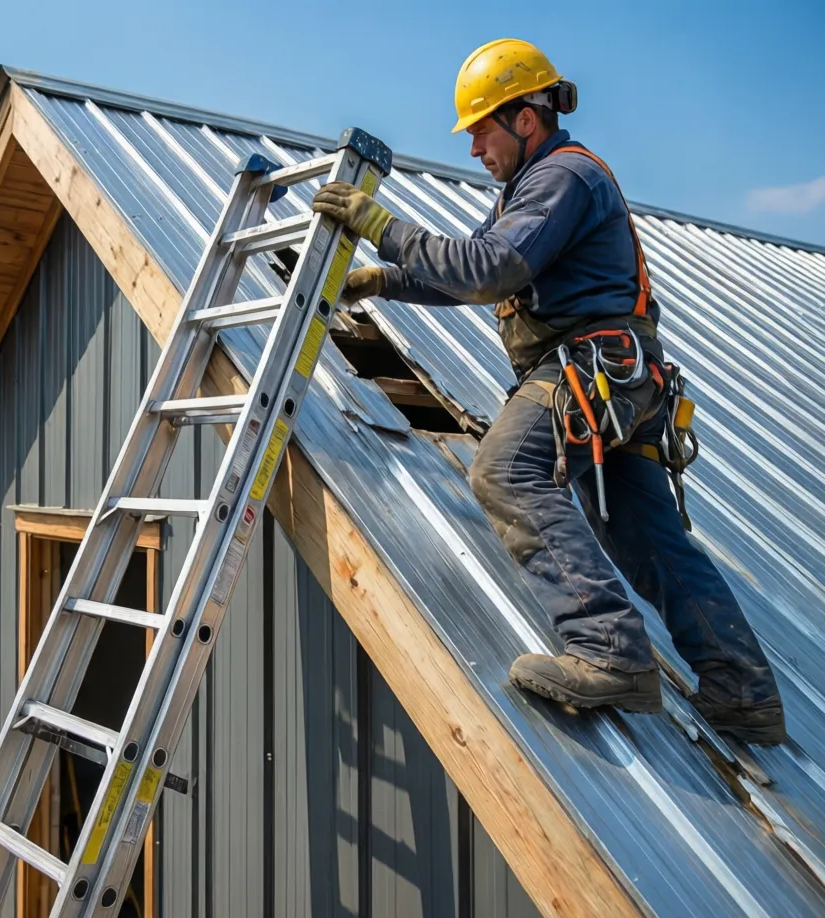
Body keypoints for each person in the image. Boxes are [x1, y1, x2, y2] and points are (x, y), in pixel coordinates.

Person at [312, 38, 786, 744]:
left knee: (503, 471)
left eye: (480, 130)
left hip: (588, 368)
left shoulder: (563, 177)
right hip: (620, 380)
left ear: (525, 118)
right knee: (647, 538)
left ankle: (608, 649)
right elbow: (471, 271)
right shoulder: (532, 188)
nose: (474, 148)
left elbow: (489, 269)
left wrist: (383, 227)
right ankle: (743, 693)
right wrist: (387, 280)